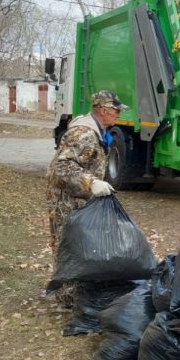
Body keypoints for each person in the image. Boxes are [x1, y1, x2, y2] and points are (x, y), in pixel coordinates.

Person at [45, 90, 128, 306]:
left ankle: (77, 295)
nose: (118, 114)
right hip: (66, 200)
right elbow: (61, 167)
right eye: (115, 110)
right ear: (102, 110)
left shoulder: (100, 132)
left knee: (81, 246)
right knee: (68, 246)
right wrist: (90, 182)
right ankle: (67, 299)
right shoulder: (83, 134)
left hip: (81, 200)